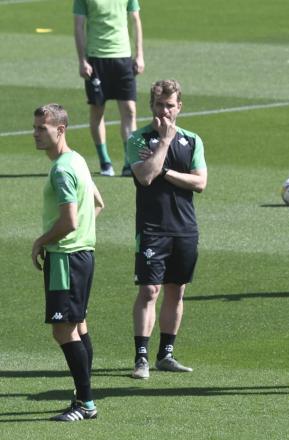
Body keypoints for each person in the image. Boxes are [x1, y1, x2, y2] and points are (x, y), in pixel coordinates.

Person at [126, 79, 207, 379]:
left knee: (176, 290)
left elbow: (200, 182)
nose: (164, 111)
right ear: (152, 106)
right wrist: (164, 143)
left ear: (179, 107)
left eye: (170, 106)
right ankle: (141, 357)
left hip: (185, 228)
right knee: (149, 290)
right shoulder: (138, 140)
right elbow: (146, 177)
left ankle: (166, 354)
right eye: (159, 105)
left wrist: (167, 170)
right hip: (151, 228)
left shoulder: (193, 140)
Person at [31, 104, 105, 421]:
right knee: (78, 326)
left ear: (60, 130)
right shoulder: (77, 160)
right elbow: (98, 203)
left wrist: (41, 241)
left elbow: (70, 221)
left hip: (65, 259)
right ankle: (83, 395)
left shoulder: (62, 169)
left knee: (62, 331)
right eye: (35, 128)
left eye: (41, 129)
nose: (35, 134)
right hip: (83, 255)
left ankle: (85, 403)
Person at [74, 0, 145, 177]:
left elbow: (135, 20)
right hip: (96, 59)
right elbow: (78, 25)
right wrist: (82, 60)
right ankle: (104, 161)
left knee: (129, 110)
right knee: (97, 110)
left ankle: (129, 161)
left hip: (123, 57)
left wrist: (140, 55)